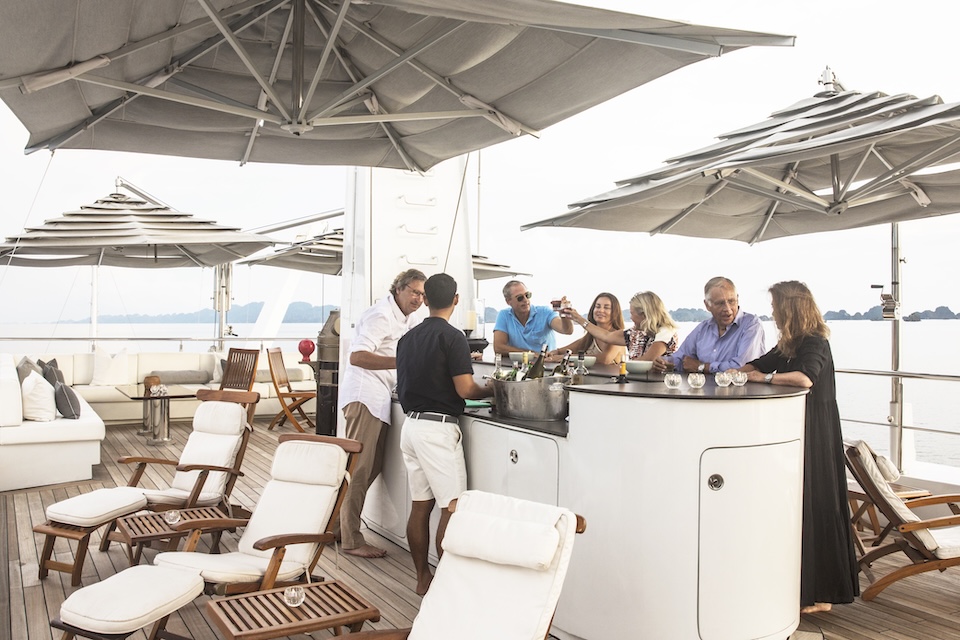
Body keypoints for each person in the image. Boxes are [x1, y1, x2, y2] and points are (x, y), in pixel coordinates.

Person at [735, 280, 859, 614]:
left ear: (790, 307)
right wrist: (740, 372)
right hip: (796, 426)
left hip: (817, 428)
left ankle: (824, 595)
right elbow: (758, 364)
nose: (772, 312)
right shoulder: (789, 344)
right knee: (800, 505)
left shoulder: (814, 341)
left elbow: (805, 378)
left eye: (775, 306)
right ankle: (804, 588)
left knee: (819, 503)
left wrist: (764, 378)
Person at [396, 273, 494, 595]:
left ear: (425, 299)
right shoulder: (453, 338)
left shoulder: (407, 339)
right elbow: (466, 389)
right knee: (451, 507)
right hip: (437, 430)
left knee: (420, 506)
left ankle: (423, 578)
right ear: (456, 300)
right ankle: (446, 588)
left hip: (411, 426)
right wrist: (492, 389)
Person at [337, 269, 426, 558]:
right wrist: (403, 362)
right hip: (364, 396)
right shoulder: (381, 315)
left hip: (379, 397)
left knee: (371, 467)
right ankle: (351, 540)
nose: (418, 298)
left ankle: (335, 527)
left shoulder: (409, 318)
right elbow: (357, 356)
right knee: (359, 469)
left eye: (423, 294)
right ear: (398, 289)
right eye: (414, 292)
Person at [654, 276, 765, 373]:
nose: (727, 309)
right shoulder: (703, 329)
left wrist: (702, 367)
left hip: (741, 390)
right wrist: (662, 362)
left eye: (732, 301)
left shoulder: (751, 325)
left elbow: (743, 367)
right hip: (704, 389)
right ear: (707, 305)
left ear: (738, 299)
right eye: (720, 303)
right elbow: (681, 358)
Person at [566, 291, 678, 362]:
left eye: (632, 314)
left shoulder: (666, 332)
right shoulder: (635, 333)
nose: (631, 318)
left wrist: (624, 364)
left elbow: (646, 361)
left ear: (644, 315)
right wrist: (578, 319)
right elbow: (606, 336)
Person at [492, 280, 574, 355]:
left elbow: (567, 330)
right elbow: (498, 348)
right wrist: (531, 354)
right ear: (508, 301)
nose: (525, 300)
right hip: (519, 364)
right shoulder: (504, 315)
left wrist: (564, 313)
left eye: (527, 295)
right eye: (520, 298)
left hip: (546, 363)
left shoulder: (545, 312)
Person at [548, 292, 626, 364]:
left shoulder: (617, 337)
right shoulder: (590, 337)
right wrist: (553, 353)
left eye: (606, 307)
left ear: (615, 312)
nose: (601, 310)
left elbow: (604, 359)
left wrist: (563, 357)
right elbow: (563, 351)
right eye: (598, 306)